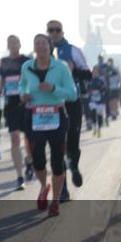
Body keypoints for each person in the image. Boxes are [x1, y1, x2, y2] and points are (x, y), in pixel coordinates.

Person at [19, 34, 77, 218]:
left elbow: (72, 94)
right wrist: (23, 95)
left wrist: (54, 89)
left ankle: (56, 201)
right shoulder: (26, 66)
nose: (41, 47)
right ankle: (44, 186)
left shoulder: (61, 67)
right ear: (34, 48)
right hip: (34, 115)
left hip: (56, 115)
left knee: (57, 161)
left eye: (44, 43)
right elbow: (22, 86)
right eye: (37, 44)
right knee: (37, 159)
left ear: (50, 46)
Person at [47, 20, 91, 200]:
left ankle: (73, 164)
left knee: (72, 143)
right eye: (51, 30)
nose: (54, 33)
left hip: (72, 102)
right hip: (52, 105)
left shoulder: (73, 50)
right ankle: (63, 189)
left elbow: (88, 74)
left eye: (57, 30)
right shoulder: (42, 55)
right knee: (58, 146)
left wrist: (73, 71)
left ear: (63, 32)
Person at [0, 35, 33, 189]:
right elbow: (2, 82)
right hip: (11, 105)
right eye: (10, 43)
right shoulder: (4, 62)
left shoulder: (27, 61)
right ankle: (20, 176)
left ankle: (29, 161)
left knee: (29, 139)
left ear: (20, 44)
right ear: (7, 45)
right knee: (15, 139)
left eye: (15, 42)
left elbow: (33, 80)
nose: (13, 45)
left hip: (26, 104)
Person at [87, 66, 107, 137]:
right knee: (93, 113)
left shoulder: (101, 81)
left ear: (98, 73)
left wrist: (102, 91)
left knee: (99, 117)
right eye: (93, 72)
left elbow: (104, 90)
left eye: (96, 72)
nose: (94, 73)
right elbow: (88, 90)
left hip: (100, 101)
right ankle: (94, 127)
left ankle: (99, 130)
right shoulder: (90, 81)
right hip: (92, 101)